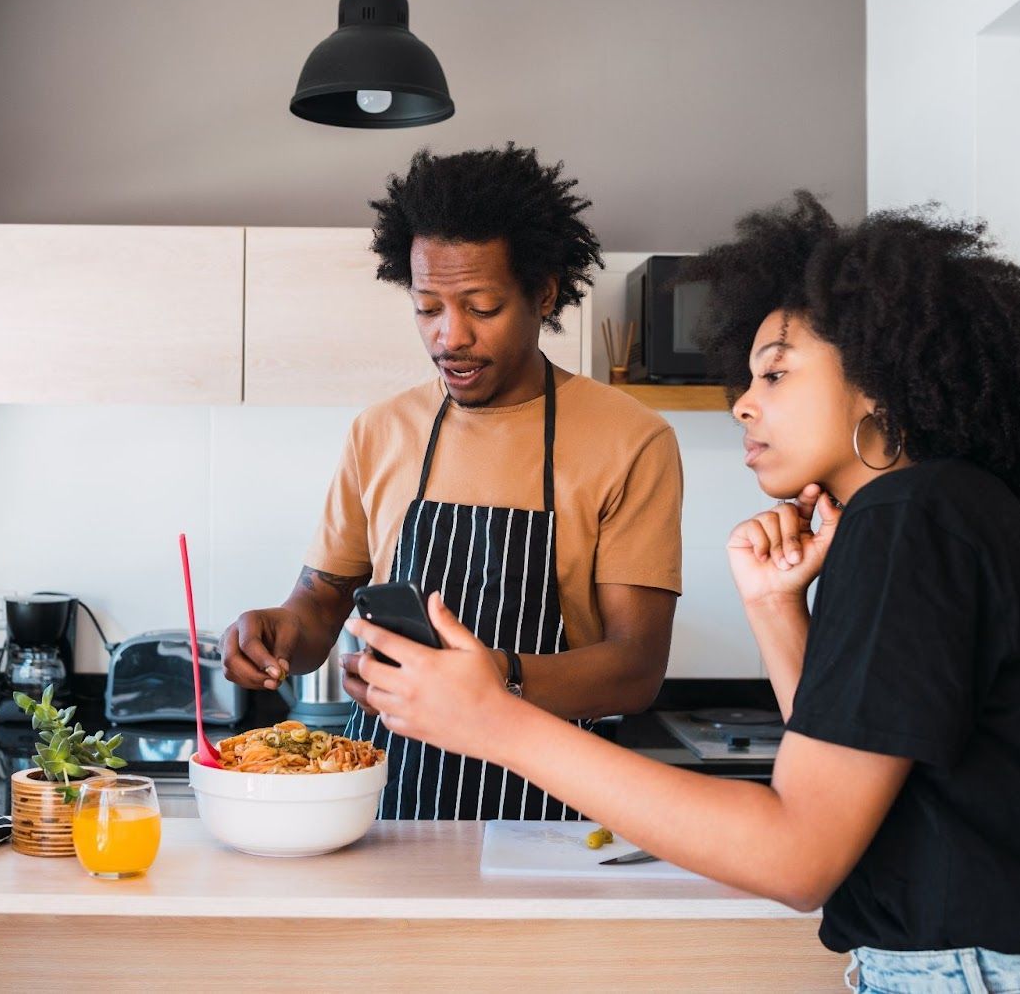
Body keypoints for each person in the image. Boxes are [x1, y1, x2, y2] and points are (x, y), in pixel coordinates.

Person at [350, 192, 1020, 991]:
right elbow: (829, 785)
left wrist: (497, 720)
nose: (743, 401)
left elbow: (797, 856)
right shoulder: (925, 510)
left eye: (775, 374)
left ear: (879, 381)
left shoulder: (910, 517)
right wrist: (777, 607)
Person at [221, 144, 683, 820]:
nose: (449, 336)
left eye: (482, 306)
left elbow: (636, 667)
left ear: (544, 293)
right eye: (428, 306)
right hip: (387, 811)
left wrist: (492, 679)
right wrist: (276, 631)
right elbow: (319, 608)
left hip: (546, 814)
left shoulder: (629, 439)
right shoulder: (380, 431)